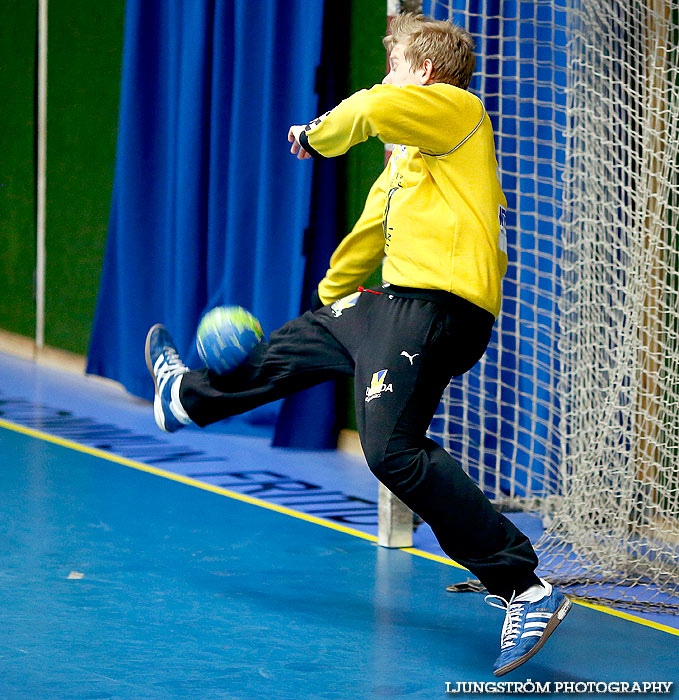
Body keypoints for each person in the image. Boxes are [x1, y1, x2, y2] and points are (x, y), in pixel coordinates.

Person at [145, 13, 570, 676]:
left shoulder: (456, 113)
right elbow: (372, 228)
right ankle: (186, 399)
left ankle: (522, 587)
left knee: (390, 454)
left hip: (440, 308)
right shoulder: (408, 159)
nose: (383, 78)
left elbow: (372, 106)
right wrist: (330, 298)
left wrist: (317, 137)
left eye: (393, 65)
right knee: (312, 332)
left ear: (422, 74)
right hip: (393, 303)